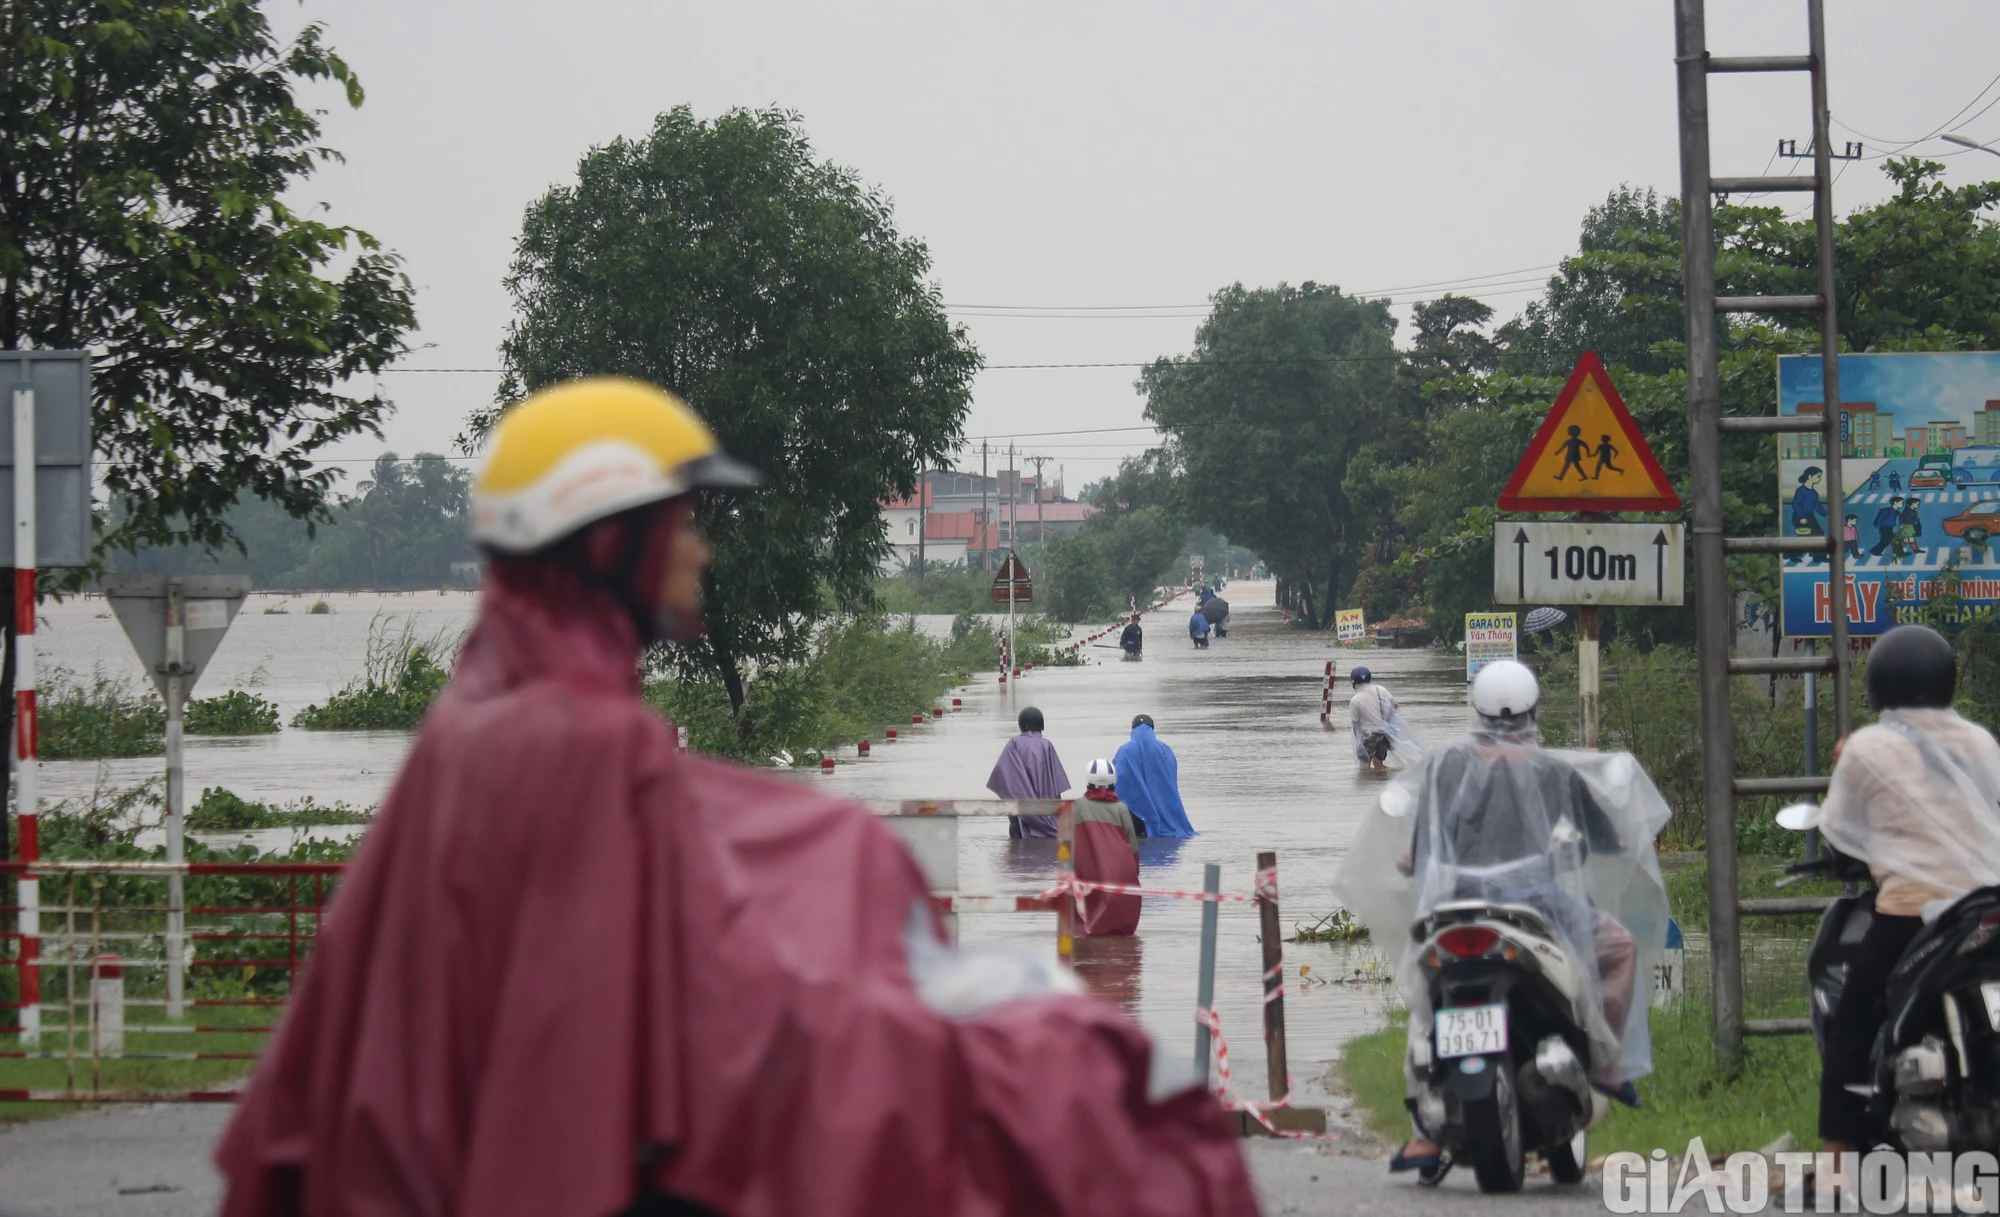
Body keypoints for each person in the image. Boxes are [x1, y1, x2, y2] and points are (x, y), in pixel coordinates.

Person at [214, 379, 1256, 1217]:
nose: (702, 550)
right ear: (606, 540)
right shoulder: (568, 747)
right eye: (678, 523)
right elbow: (743, 995)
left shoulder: (477, 725)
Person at [1332, 660, 1669, 1178]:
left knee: (1427, 1004)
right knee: (1619, 947)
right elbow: (1605, 839)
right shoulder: (1555, 771)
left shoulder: (1444, 767)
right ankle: (1604, 1060)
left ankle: (1424, 1133)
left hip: (1452, 908)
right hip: (1535, 906)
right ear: (1533, 710)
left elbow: (1419, 847)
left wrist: (1410, 861)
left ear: (1478, 710)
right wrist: (1610, 840)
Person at [1791, 625, 2000, 1164]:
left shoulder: (1867, 746)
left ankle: (1837, 1159)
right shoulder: (1979, 740)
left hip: (1915, 909)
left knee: (1853, 1021)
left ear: (1879, 683)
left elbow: (1840, 829)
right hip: (1985, 902)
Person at [1074, 758, 1142, 937]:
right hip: (1121, 873)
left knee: (1083, 931)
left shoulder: (1077, 806)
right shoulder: (1121, 809)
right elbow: (1132, 845)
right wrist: (1134, 871)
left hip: (1087, 873)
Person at [987, 706, 1069, 838]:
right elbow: (1056, 781)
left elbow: (1002, 774)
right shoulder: (1046, 745)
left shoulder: (1014, 743)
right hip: (1044, 806)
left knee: (1017, 836)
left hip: (1018, 804)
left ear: (1022, 724)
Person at [1114, 714, 1199, 838]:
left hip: (1134, 814)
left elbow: (1117, 780)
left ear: (1133, 730)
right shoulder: (1165, 750)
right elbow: (1171, 779)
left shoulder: (1124, 751)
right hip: (1164, 810)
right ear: (1152, 729)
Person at [1348, 667, 1423, 771]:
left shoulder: (1355, 700)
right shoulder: (1380, 689)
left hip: (1369, 736)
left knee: (1364, 767)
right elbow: (1395, 704)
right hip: (1385, 734)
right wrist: (1385, 718)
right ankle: (1392, 778)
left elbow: (1356, 724)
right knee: (1378, 764)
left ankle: (1371, 786)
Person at [1788, 466, 1828, 566]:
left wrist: (1825, 514)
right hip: (1799, 517)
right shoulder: (1801, 491)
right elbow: (1796, 505)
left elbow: (1817, 505)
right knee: (1805, 537)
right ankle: (1793, 554)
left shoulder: (1813, 493)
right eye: (1818, 476)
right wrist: (1802, 517)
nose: (1819, 478)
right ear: (1810, 476)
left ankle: (1818, 556)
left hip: (1809, 516)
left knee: (1818, 534)